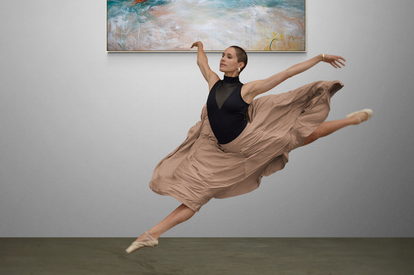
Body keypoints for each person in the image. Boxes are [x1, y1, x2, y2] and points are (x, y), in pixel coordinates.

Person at [126, 42, 372, 254]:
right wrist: (200, 46)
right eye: (222, 55)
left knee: (304, 135)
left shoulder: (247, 89)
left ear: (240, 65)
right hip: (220, 151)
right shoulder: (213, 83)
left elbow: (286, 74)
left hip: (252, 142)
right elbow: (203, 65)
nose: (223, 59)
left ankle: (353, 119)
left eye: (229, 56)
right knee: (198, 195)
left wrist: (320, 58)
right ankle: (152, 235)